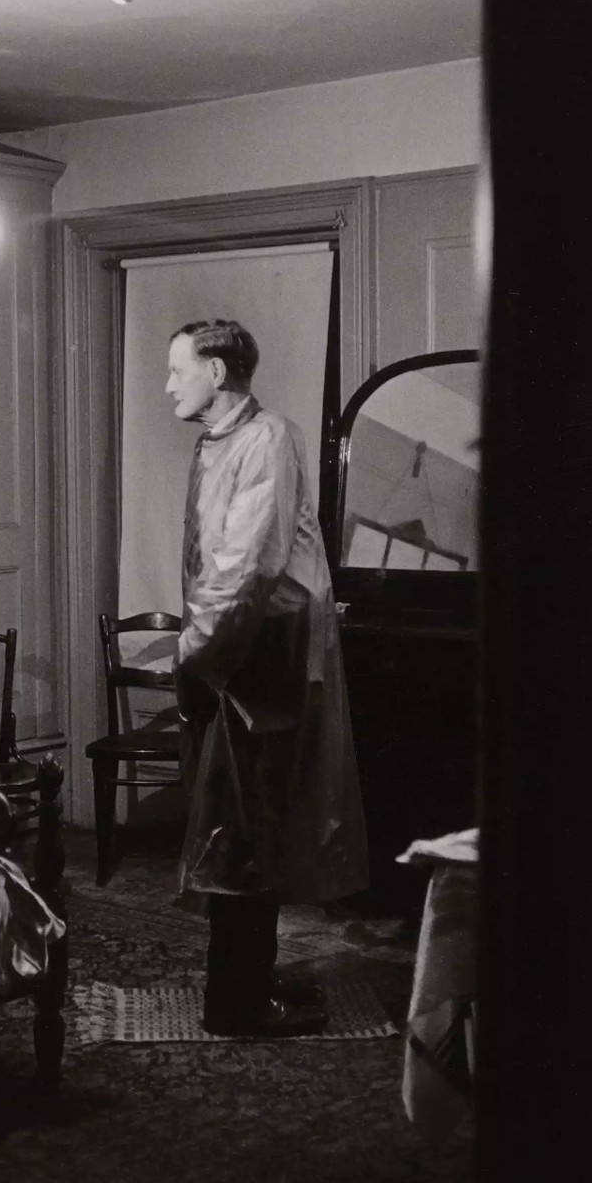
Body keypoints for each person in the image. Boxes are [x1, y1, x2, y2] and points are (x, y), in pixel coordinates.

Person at [165, 319, 368, 1036]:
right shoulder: (220, 442)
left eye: (179, 372)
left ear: (217, 373)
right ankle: (239, 999)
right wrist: (199, 656)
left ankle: (242, 999)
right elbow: (214, 564)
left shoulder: (268, 438)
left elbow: (247, 565)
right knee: (237, 829)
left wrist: (197, 653)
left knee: (253, 830)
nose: (169, 387)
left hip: (258, 664)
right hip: (232, 661)